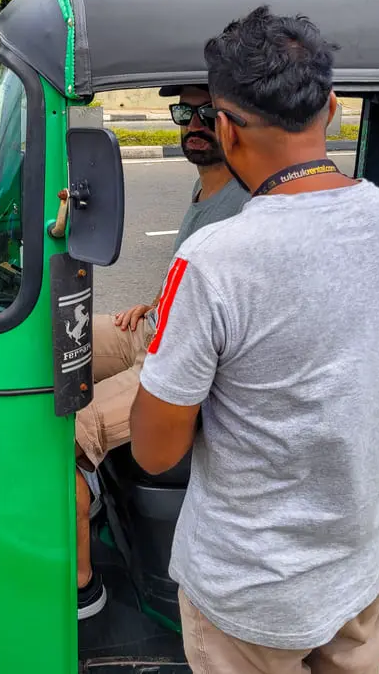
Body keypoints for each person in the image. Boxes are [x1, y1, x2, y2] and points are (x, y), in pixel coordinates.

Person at [131, 8, 379, 674]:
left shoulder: (215, 257)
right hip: (355, 575)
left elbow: (156, 451)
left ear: (220, 123)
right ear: (330, 108)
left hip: (245, 595)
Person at [76, 83, 250, 620]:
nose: (193, 124)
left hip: (183, 361)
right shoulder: (205, 191)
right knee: (64, 345)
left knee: (64, 422)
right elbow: (197, 277)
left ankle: (82, 586)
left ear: (232, 122)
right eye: (184, 112)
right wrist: (154, 303)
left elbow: (228, 313)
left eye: (207, 112)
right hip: (155, 330)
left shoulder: (246, 204)